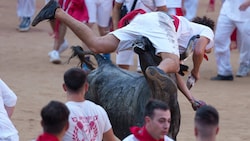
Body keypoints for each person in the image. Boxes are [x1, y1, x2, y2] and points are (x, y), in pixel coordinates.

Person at [31, 0, 214, 110]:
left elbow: (173, 71)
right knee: (170, 63)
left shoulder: (179, 41)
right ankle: (153, 73)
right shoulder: (206, 31)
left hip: (145, 21)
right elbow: (199, 50)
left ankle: (57, 12)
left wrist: (191, 99)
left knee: (97, 45)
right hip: (161, 21)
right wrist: (196, 72)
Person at [62, 67, 118, 141]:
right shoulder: (100, 111)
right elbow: (111, 139)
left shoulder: (60, 114)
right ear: (86, 87)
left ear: (64, 87)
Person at [112, 0, 168, 71]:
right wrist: (116, 29)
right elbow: (117, 7)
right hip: (127, 27)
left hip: (147, 30)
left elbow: (162, 10)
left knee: (145, 66)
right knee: (122, 64)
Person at [210, 0, 250, 80]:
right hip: (227, 8)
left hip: (247, 11)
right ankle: (224, 71)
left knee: (246, 42)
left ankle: (245, 64)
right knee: (219, 39)